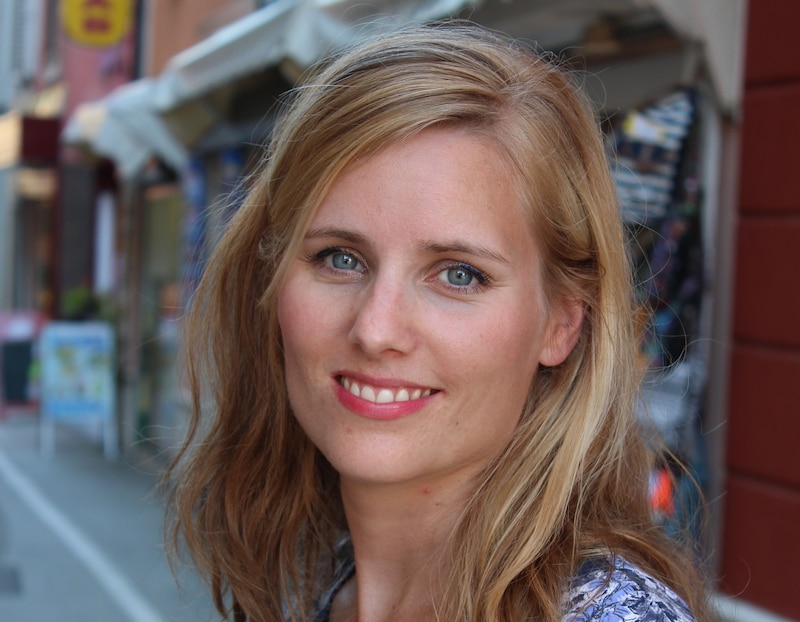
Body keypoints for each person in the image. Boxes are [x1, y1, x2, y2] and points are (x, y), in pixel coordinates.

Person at [163, 22, 710, 622]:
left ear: (562, 322)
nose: (376, 330)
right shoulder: (315, 588)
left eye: (459, 274)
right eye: (340, 259)